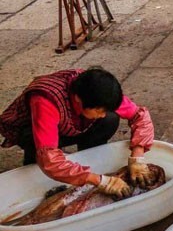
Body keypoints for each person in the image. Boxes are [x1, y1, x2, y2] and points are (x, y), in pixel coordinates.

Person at [0, 68, 155, 198]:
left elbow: (139, 115)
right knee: (40, 153)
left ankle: (88, 160)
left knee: (109, 119)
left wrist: (137, 157)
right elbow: (49, 160)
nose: (101, 114)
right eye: (98, 110)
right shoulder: (46, 101)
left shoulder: (98, 89)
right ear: (79, 100)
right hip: (33, 131)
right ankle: (35, 172)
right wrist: (99, 181)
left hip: (73, 123)